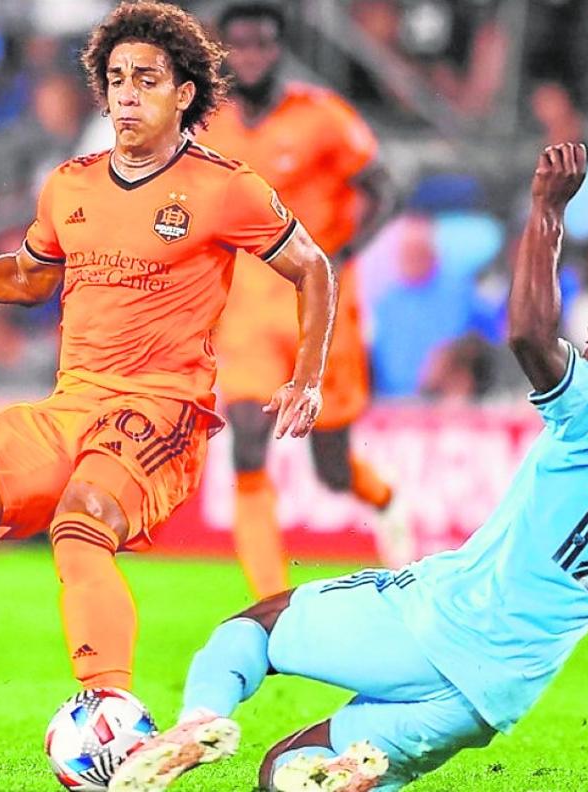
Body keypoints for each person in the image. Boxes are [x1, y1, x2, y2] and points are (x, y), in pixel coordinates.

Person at [0, 0, 337, 760]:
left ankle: (115, 711)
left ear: (184, 93)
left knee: (81, 523)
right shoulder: (71, 185)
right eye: (116, 78)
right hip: (73, 402)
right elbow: (26, 278)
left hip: (161, 410)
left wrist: (306, 376)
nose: (126, 94)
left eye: (145, 79)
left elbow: (311, 266)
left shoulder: (227, 188)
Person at [110, 143, 588, 792]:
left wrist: (546, 210)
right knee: (284, 773)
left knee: (251, 631)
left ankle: (198, 721)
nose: (583, 355)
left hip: (438, 619)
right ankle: (346, 771)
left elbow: (529, 337)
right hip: (494, 696)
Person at [197, 1, 391, 598]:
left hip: (321, 304)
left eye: (263, 44)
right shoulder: (206, 123)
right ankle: (271, 602)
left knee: (330, 468)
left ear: (278, 49)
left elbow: (383, 187)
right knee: (248, 439)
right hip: (249, 305)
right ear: (223, 53)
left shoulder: (322, 117)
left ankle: (387, 499)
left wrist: (347, 249)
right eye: (241, 46)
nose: (252, 56)